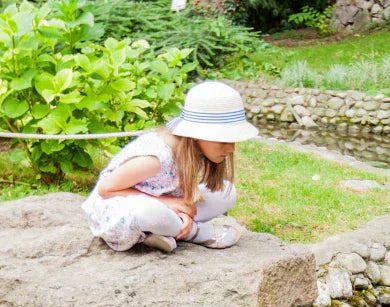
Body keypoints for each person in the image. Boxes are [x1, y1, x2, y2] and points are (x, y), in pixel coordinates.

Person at [82, 81, 259, 253]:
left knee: (226, 192)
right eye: (223, 141)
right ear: (197, 134)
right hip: (120, 210)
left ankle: (164, 231)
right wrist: (169, 203)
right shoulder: (155, 158)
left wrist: (179, 206)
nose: (231, 148)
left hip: (166, 202)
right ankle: (193, 232)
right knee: (151, 212)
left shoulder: (197, 151)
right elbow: (105, 190)